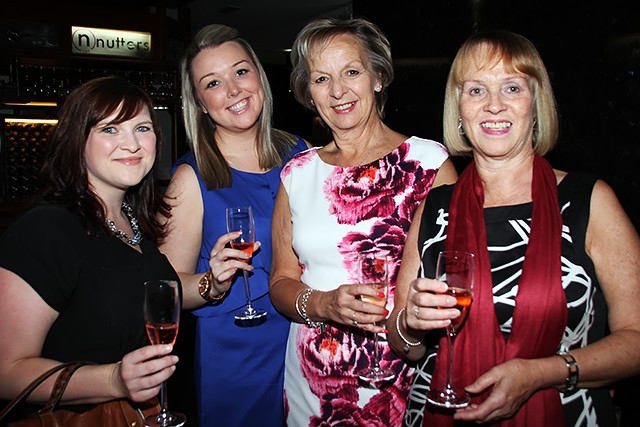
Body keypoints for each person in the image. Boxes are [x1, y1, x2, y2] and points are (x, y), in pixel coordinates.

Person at [388, 30, 640, 426]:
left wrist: (540, 373)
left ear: (536, 103)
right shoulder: (435, 206)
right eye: (476, 90)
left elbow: (636, 341)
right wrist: (409, 323)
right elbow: (405, 347)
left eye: (511, 87)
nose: (493, 105)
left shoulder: (590, 201)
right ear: (458, 108)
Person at [269, 18, 458, 426]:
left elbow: (455, 276)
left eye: (351, 72)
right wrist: (323, 303)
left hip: (405, 377)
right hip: (313, 387)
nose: (338, 91)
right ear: (308, 93)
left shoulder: (429, 165)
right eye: (321, 78)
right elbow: (280, 281)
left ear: (377, 76)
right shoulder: (296, 175)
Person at [0, 77, 181, 420]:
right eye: (110, 129)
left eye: (142, 128)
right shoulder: (46, 230)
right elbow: (6, 371)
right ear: (76, 141)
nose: (132, 144)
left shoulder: (134, 222)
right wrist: (112, 380)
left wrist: (211, 281)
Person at [158, 24, 309, 427]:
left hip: (303, 337)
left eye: (241, 72)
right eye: (213, 83)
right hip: (239, 353)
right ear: (201, 104)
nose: (234, 90)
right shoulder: (191, 179)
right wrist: (213, 282)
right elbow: (166, 289)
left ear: (259, 76)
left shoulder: (302, 154)